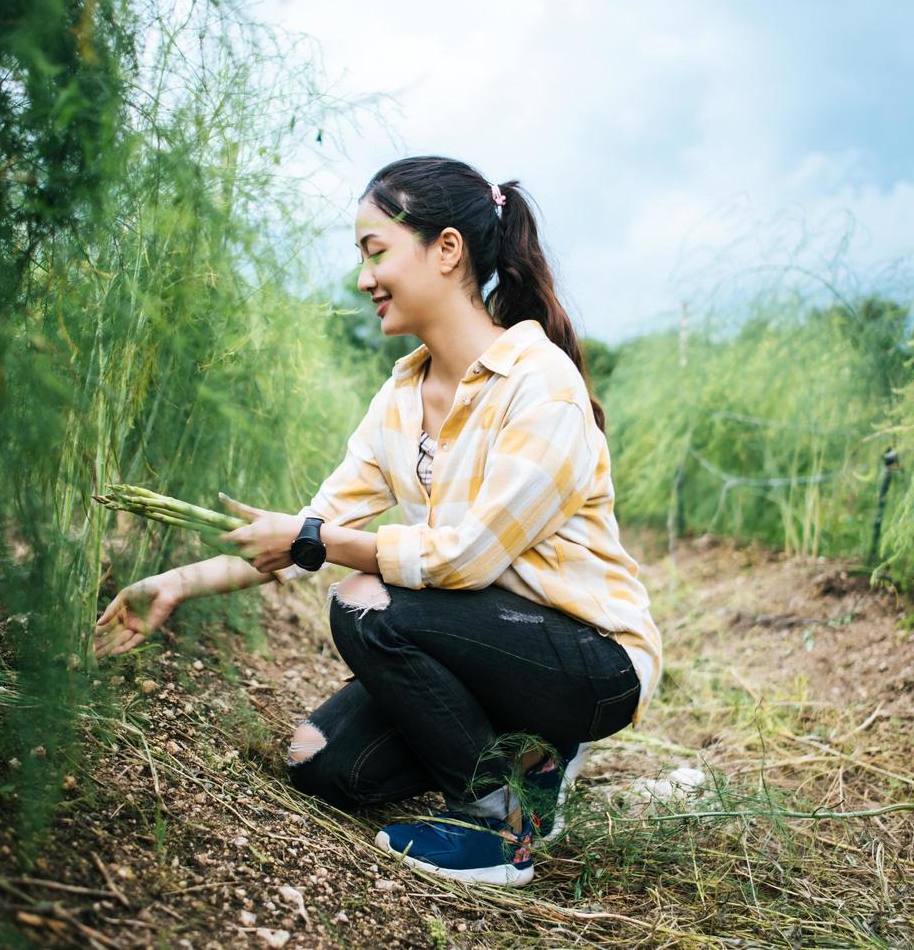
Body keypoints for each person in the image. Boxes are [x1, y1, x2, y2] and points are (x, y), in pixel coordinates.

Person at [93, 156, 663, 887]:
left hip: (587, 660)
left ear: (446, 249)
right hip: (476, 649)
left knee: (363, 601)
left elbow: (463, 561)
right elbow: (310, 528)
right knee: (318, 765)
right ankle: (528, 762)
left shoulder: (538, 382)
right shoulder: (400, 396)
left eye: (375, 250)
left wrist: (320, 542)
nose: (363, 278)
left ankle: (500, 825)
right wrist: (174, 583)